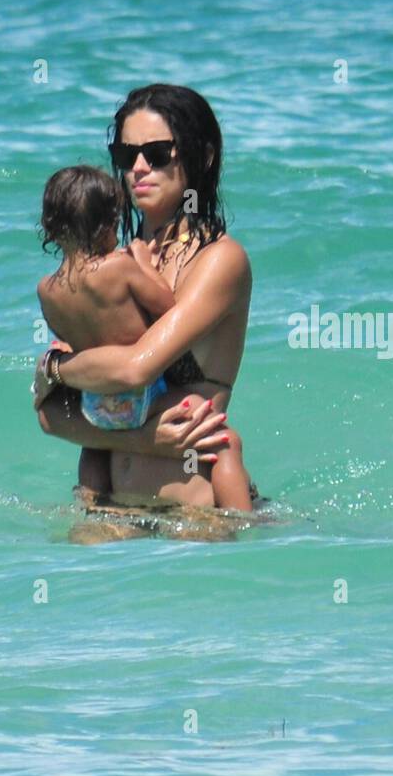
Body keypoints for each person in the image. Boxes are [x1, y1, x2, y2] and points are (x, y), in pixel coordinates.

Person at [33, 85, 254, 515]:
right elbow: (51, 417)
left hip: (197, 515)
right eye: (125, 155)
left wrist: (54, 368)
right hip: (113, 512)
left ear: (202, 157)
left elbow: (137, 367)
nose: (137, 168)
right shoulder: (113, 268)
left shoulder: (219, 260)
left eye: (156, 153)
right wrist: (138, 439)